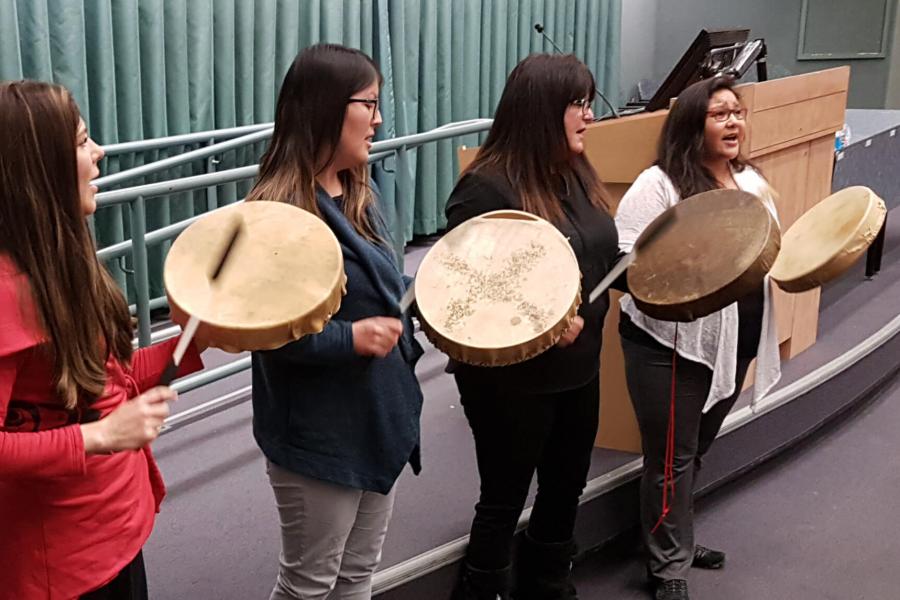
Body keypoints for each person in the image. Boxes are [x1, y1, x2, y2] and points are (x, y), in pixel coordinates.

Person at [0, 80, 204, 599]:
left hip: (113, 536)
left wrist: (199, 339)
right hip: (62, 571)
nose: (99, 153)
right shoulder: (6, 292)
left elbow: (102, 386)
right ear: (39, 169)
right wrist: (103, 437)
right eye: (82, 141)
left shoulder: (60, 263)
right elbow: (97, 424)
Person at [246, 44, 425, 600]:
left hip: (374, 417)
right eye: (367, 103)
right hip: (321, 435)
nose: (377, 119)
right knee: (308, 585)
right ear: (325, 108)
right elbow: (267, 332)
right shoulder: (279, 212)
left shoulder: (356, 193)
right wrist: (353, 337)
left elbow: (382, 290)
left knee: (355, 576)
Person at [444, 53, 620, 600]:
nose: (589, 117)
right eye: (578, 104)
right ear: (541, 109)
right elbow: (459, 298)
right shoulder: (485, 191)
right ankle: (484, 591)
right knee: (504, 495)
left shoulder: (575, 174)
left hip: (578, 367)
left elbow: (595, 254)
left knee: (567, 486)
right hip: (510, 380)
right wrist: (538, 326)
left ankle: (547, 585)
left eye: (589, 103)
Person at [614, 76, 782, 600]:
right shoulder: (658, 184)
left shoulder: (750, 180)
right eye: (720, 114)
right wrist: (684, 265)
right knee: (672, 457)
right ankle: (667, 567)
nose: (734, 122)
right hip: (670, 341)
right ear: (692, 124)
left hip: (740, 335)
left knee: (693, 449)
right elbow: (623, 263)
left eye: (738, 112)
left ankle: (672, 542)